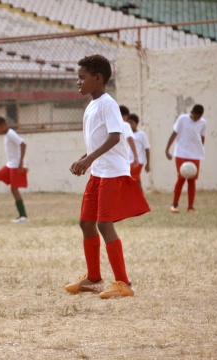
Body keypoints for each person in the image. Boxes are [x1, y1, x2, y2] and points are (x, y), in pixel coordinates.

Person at [66, 54, 150, 299]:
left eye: (82, 77)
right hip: (98, 171)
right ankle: (94, 279)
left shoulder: (107, 103)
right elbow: (99, 139)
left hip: (112, 172)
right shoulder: (92, 104)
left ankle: (123, 283)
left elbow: (115, 136)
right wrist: (85, 158)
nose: (78, 82)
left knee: (104, 223)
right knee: (86, 222)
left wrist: (89, 159)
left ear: (98, 78)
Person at [165, 104, 206, 214]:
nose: (197, 119)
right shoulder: (182, 119)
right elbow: (174, 134)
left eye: (199, 117)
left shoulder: (203, 123)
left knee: (192, 181)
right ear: (192, 112)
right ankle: (174, 204)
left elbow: (202, 138)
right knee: (181, 178)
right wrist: (167, 149)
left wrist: (200, 151)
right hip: (181, 154)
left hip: (195, 155)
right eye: (195, 116)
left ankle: (190, 207)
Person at [127, 113, 151, 190]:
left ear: (136, 124)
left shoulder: (141, 134)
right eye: (128, 122)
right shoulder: (127, 134)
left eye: (132, 122)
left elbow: (147, 148)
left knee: (132, 177)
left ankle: (139, 198)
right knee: (135, 180)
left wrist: (148, 163)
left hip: (138, 160)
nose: (130, 124)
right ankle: (139, 198)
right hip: (129, 160)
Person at [119, 105, 140, 170]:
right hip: (122, 159)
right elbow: (130, 139)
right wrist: (136, 156)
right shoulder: (125, 125)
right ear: (126, 116)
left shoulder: (109, 124)